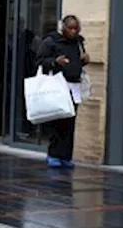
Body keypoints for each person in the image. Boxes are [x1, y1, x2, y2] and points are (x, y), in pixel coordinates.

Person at [36, 14, 88, 168]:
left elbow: (78, 62)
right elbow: (39, 61)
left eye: (76, 28)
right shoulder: (51, 42)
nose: (73, 31)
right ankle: (53, 154)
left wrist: (84, 61)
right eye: (70, 28)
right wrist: (54, 62)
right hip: (58, 86)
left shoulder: (79, 42)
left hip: (74, 86)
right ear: (63, 28)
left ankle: (66, 156)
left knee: (70, 122)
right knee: (58, 121)